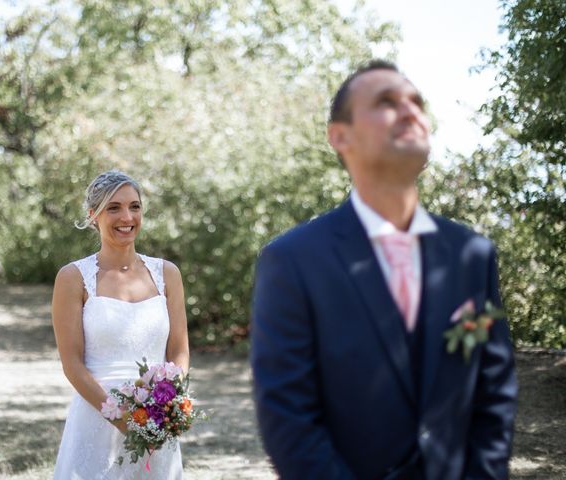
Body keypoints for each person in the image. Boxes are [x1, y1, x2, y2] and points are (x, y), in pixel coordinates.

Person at [250, 60, 517, 479]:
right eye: (387, 102)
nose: (410, 111)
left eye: (416, 101)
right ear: (340, 136)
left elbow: (493, 391)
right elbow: (287, 414)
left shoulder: (472, 255)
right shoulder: (292, 261)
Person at [52, 170, 189, 479]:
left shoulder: (167, 274)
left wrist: (165, 407)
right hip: (95, 416)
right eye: (113, 207)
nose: (126, 216)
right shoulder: (73, 278)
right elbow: (72, 364)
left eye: (134, 206)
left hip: (156, 420)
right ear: (93, 216)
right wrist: (124, 418)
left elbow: (179, 351)